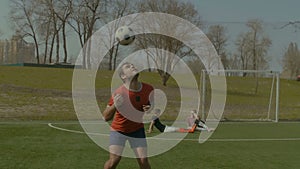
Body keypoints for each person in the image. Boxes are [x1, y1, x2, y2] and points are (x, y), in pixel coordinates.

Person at [103, 62, 152, 169]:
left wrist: (149, 109)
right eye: (128, 67)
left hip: (137, 129)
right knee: (113, 161)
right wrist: (115, 105)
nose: (133, 66)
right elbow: (105, 117)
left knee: (143, 161)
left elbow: (152, 109)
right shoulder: (119, 92)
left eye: (133, 65)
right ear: (123, 76)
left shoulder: (148, 89)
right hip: (119, 130)